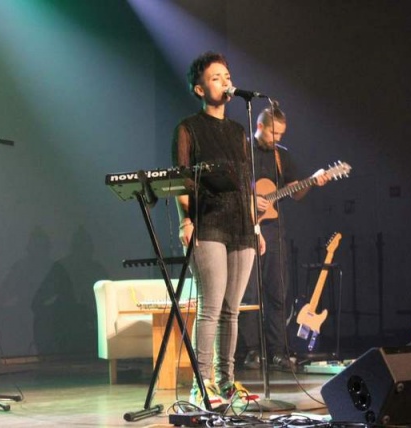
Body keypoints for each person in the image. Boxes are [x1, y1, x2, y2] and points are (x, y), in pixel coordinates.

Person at [172, 51, 265, 408]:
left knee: (231, 310)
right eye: (216, 78)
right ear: (199, 89)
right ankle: (202, 383)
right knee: (210, 307)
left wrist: (256, 227)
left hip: (241, 224)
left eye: (227, 76)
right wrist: (186, 220)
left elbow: (245, 181)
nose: (225, 83)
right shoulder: (188, 128)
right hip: (208, 222)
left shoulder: (239, 131)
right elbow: (181, 181)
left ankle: (226, 381)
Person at [238, 105, 329, 370]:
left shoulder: (282, 156)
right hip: (245, 228)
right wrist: (251, 200)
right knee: (249, 293)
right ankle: (252, 351)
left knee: (278, 291)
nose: (277, 138)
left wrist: (311, 181)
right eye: (273, 133)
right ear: (260, 126)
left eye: (281, 134)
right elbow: (231, 187)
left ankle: (277, 351)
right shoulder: (242, 150)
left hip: (274, 230)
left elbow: (294, 192)